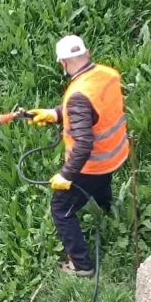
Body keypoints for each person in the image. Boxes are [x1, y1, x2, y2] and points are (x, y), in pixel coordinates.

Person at [26, 35, 129, 277]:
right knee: (102, 184)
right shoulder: (106, 74)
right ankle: (109, 212)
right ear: (87, 52)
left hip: (92, 164)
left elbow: (83, 142)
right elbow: (94, 112)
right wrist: (55, 113)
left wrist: (65, 175)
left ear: (62, 63)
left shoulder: (78, 94)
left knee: (61, 208)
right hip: (115, 154)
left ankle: (82, 266)